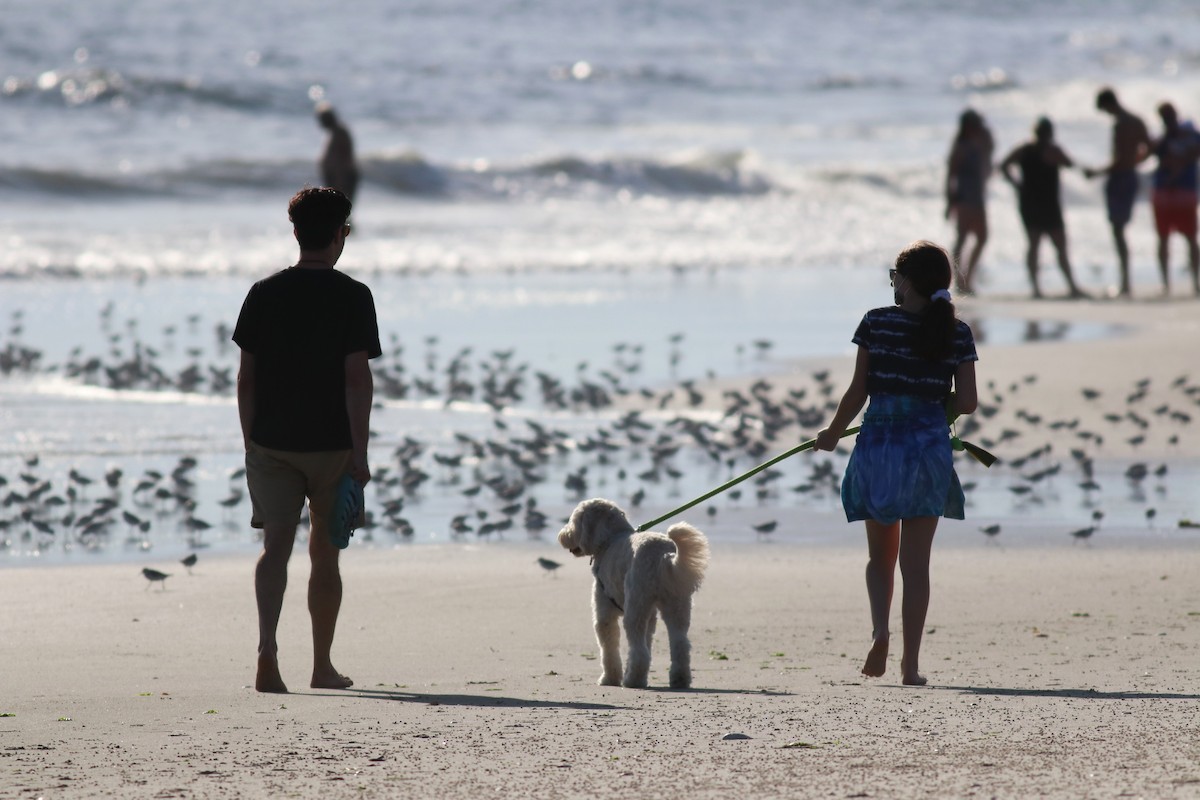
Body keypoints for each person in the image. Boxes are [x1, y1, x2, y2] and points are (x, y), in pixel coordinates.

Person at [233, 187, 381, 693]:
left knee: (275, 548)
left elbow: (246, 376)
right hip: (333, 445)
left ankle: (267, 654)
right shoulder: (353, 296)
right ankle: (321, 666)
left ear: (296, 232)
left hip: (273, 441)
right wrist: (360, 452)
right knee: (325, 554)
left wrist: (251, 440)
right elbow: (357, 379)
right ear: (341, 234)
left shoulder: (263, 292)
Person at [814, 241, 978, 686]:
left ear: (905, 281)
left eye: (894, 276)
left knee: (879, 557)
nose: (892, 283)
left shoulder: (876, 322)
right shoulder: (957, 332)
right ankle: (910, 666)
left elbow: (857, 392)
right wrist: (934, 406)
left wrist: (831, 433)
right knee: (916, 565)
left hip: (880, 447)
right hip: (927, 451)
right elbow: (968, 401)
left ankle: (879, 632)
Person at [999, 117, 1087, 299]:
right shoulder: (1041, 150)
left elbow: (1003, 166)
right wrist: (1016, 184)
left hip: (1037, 203)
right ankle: (1051, 287)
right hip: (1039, 204)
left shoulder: (1026, 150)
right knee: (1046, 245)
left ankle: (1051, 287)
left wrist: (1016, 184)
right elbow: (1069, 163)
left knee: (1044, 245)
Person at [1084, 88, 1152, 297]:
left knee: (1118, 231)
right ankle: (1125, 281)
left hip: (1120, 178)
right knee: (1120, 230)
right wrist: (1135, 162)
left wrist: (1097, 172)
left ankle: (1125, 282)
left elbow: (1119, 159)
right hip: (1131, 176)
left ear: (1109, 104)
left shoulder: (1120, 125)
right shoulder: (1137, 120)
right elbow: (1149, 147)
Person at [1150, 102, 1200, 295]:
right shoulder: (1162, 139)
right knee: (1163, 238)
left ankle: (1195, 282)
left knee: (1190, 238)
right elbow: (1148, 153)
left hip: (1183, 191)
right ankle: (1165, 283)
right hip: (1165, 192)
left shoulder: (1189, 134)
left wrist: (1181, 160)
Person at [945, 109, 994, 294]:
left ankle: (968, 277)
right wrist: (949, 201)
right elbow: (950, 176)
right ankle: (959, 281)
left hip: (978, 197)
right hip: (964, 198)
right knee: (962, 238)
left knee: (982, 237)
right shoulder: (961, 147)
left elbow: (989, 162)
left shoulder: (980, 144)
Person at [316, 104, 360, 203]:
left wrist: (339, 180)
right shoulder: (334, 132)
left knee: (341, 208)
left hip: (342, 177)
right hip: (337, 176)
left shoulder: (340, 133)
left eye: (322, 119)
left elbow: (344, 158)